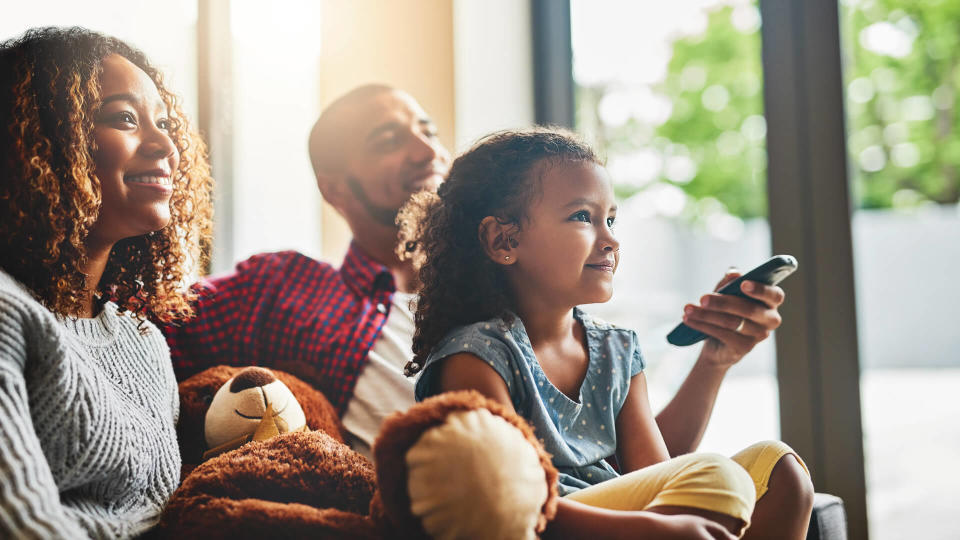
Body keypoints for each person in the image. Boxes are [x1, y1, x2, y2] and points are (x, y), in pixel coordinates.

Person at [403, 127, 814, 539]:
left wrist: (713, 361)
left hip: (625, 519)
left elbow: (661, 475)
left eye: (611, 219)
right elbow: (504, 505)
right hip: (547, 525)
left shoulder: (616, 348)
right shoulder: (476, 358)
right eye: (583, 217)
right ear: (503, 239)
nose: (611, 240)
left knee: (780, 469)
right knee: (716, 474)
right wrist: (649, 530)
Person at [0, 27, 213, 538]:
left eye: (163, 122)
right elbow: (22, 523)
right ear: (39, 143)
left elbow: (159, 513)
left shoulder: (144, 343)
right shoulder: (8, 313)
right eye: (124, 118)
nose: (165, 143)